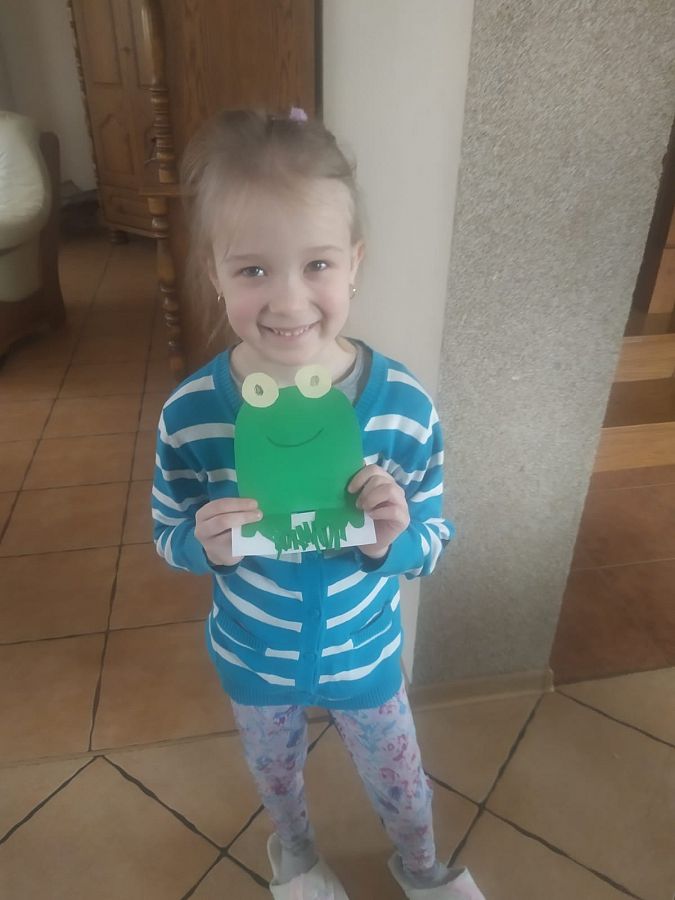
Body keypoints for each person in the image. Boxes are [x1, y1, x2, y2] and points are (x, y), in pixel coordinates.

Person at [152, 107, 485, 900]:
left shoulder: (401, 406)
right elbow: (166, 531)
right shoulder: (192, 413)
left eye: (317, 264)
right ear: (213, 273)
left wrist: (392, 538)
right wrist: (202, 544)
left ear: (354, 264)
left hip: (362, 654)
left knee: (400, 778)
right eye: (252, 270)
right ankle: (295, 858)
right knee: (275, 778)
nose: (288, 299)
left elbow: (435, 536)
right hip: (252, 657)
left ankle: (421, 865)